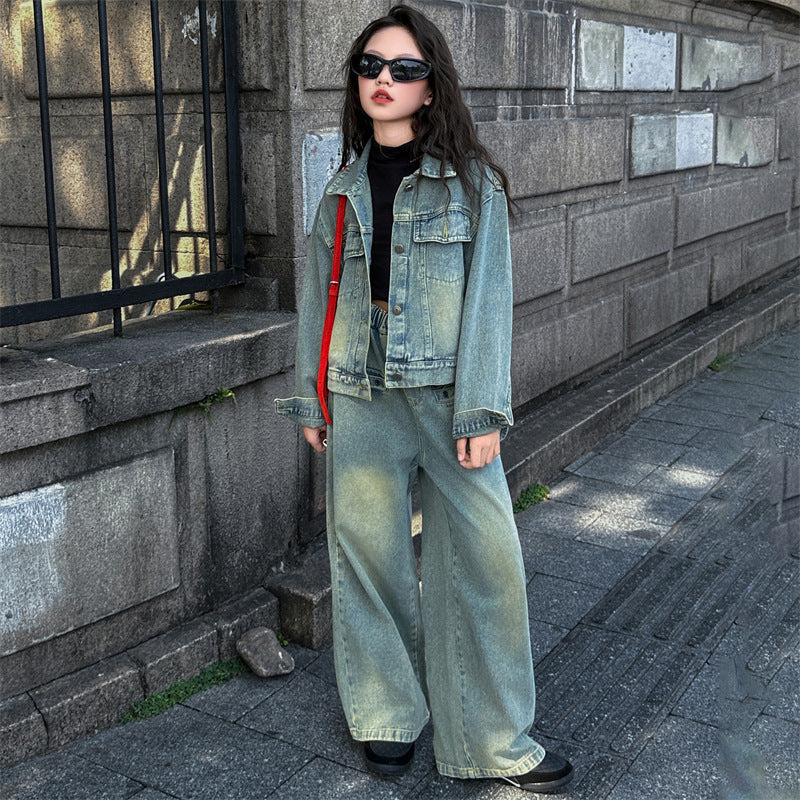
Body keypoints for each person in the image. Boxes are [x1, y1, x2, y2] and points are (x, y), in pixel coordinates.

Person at [275, 5, 574, 794]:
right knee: (368, 557)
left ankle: (494, 740)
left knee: (486, 562)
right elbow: (319, 302)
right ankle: (388, 714)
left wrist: (482, 408)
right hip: (360, 388)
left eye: (404, 69)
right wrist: (312, 399)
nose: (384, 80)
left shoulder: (473, 187)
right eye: (370, 66)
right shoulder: (340, 192)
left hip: (447, 393)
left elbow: (489, 302)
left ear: (431, 87)